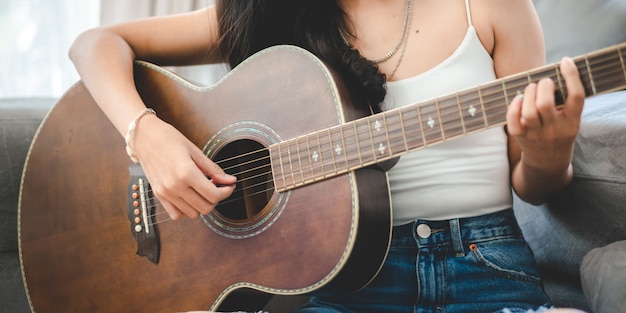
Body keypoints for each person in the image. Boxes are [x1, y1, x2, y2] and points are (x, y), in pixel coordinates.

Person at [69, 0, 587, 312]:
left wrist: (549, 151)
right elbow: (95, 43)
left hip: (486, 269)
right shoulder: (272, 13)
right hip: (352, 285)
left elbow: (533, 184)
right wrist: (146, 133)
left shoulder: (492, 6)